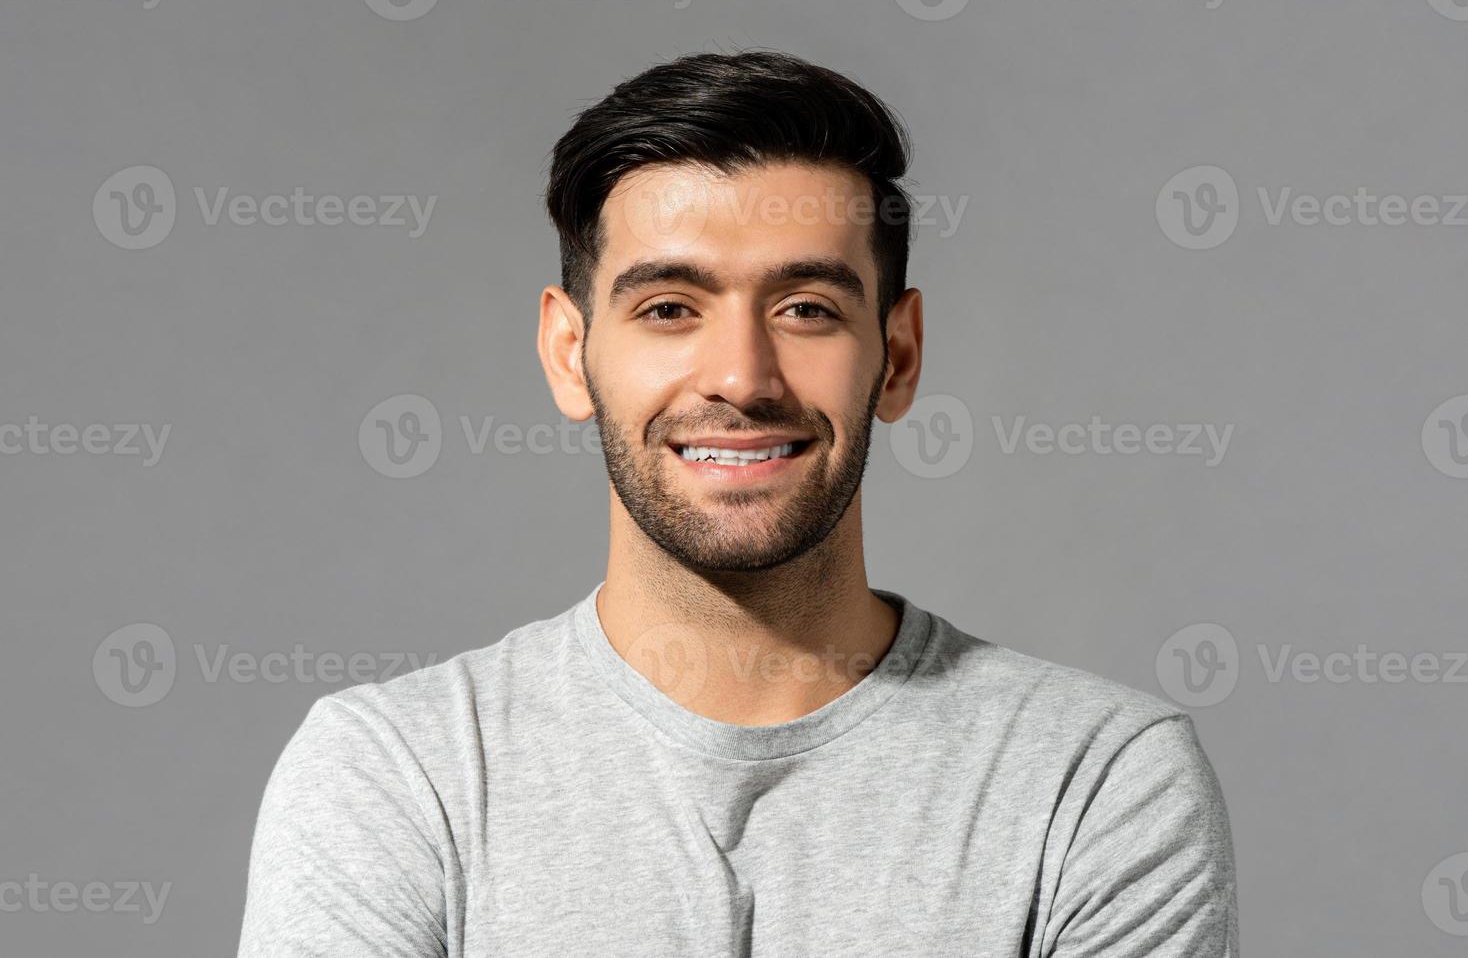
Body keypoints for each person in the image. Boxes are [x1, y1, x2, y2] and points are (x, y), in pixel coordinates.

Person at [237, 49, 1239, 957]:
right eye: (668, 308)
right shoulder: (396, 776)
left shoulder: (1092, 781)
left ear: (896, 356)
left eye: (806, 308)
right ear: (568, 351)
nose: (741, 374)